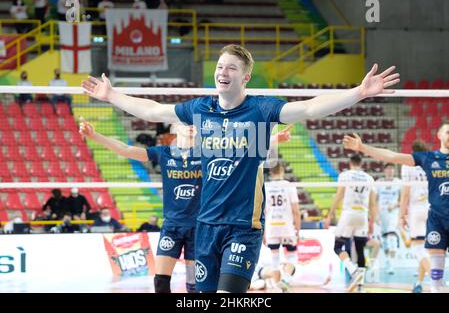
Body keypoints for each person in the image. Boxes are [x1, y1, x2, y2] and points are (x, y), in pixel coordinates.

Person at [81, 44, 399, 293]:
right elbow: (152, 110)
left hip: (243, 228)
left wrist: (358, 92)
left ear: (245, 77)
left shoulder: (260, 109)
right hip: (205, 225)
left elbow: (310, 108)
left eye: (231, 67)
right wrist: (111, 95)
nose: (223, 71)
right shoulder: (200, 109)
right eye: (220, 66)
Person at [79, 119, 201, 293]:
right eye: (186, 123)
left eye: (194, 124)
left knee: (194, 284)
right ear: (175, 128)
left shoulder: (207, 154)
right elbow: (126, 150)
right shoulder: (164, 153)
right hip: (172, 227)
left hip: (198, 228)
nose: (191, 127)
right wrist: (94, 136)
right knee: (160, 282)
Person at [342, 123, 449, 293]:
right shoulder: (429, 158)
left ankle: (420, 282)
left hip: (420, 210)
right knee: (436, 276)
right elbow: (392, 156)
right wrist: (362, 147)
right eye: (448, 132)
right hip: (435, 217)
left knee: (421, 251)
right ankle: (428, 284)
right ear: (439, 135)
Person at [324, 154, 376, 292]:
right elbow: (373, 204)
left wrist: (330, 215)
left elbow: (339, 195)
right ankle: (361, 287)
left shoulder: (345, 175)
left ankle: (352, 270)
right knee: (360, 251)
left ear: (350, 163)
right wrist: (372, 222)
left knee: (337, 247)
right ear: (361, 163)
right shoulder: (369, 178)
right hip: (362, 216)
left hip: (348, 214)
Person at [399, 140, 431, 293]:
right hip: (432, 208)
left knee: (418, 249)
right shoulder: (431, 162)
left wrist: (401, 215)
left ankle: (437, 279)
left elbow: (405, 194)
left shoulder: (407, 165)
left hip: (417, 210)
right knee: (426, 251)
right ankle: (419, 283)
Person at [264, 163, 300, 278]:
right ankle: (286, 280)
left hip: (272, 226)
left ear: (271, 172)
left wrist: (264, 232)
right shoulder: (289, 186)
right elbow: (296, 211)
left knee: (274, 260)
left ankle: (277, 287)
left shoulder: (266, 186)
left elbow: (263, 212)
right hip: (286, 227)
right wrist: (298, 229)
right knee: (292, 257)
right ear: (282, 171)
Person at [375, 163, 401, 275]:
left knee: (392, 237)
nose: (390, 171)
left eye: (392, 169)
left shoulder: (399, 183)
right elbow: (374, 200)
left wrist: (394, 206)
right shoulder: (379, 183)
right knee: (385, 240)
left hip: (393, 213)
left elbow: (402, 200)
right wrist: (375, 214)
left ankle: (392, 264)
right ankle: (388, 261)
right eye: (388, 169)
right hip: (381, 214)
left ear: (394, 171)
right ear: (384, 171)